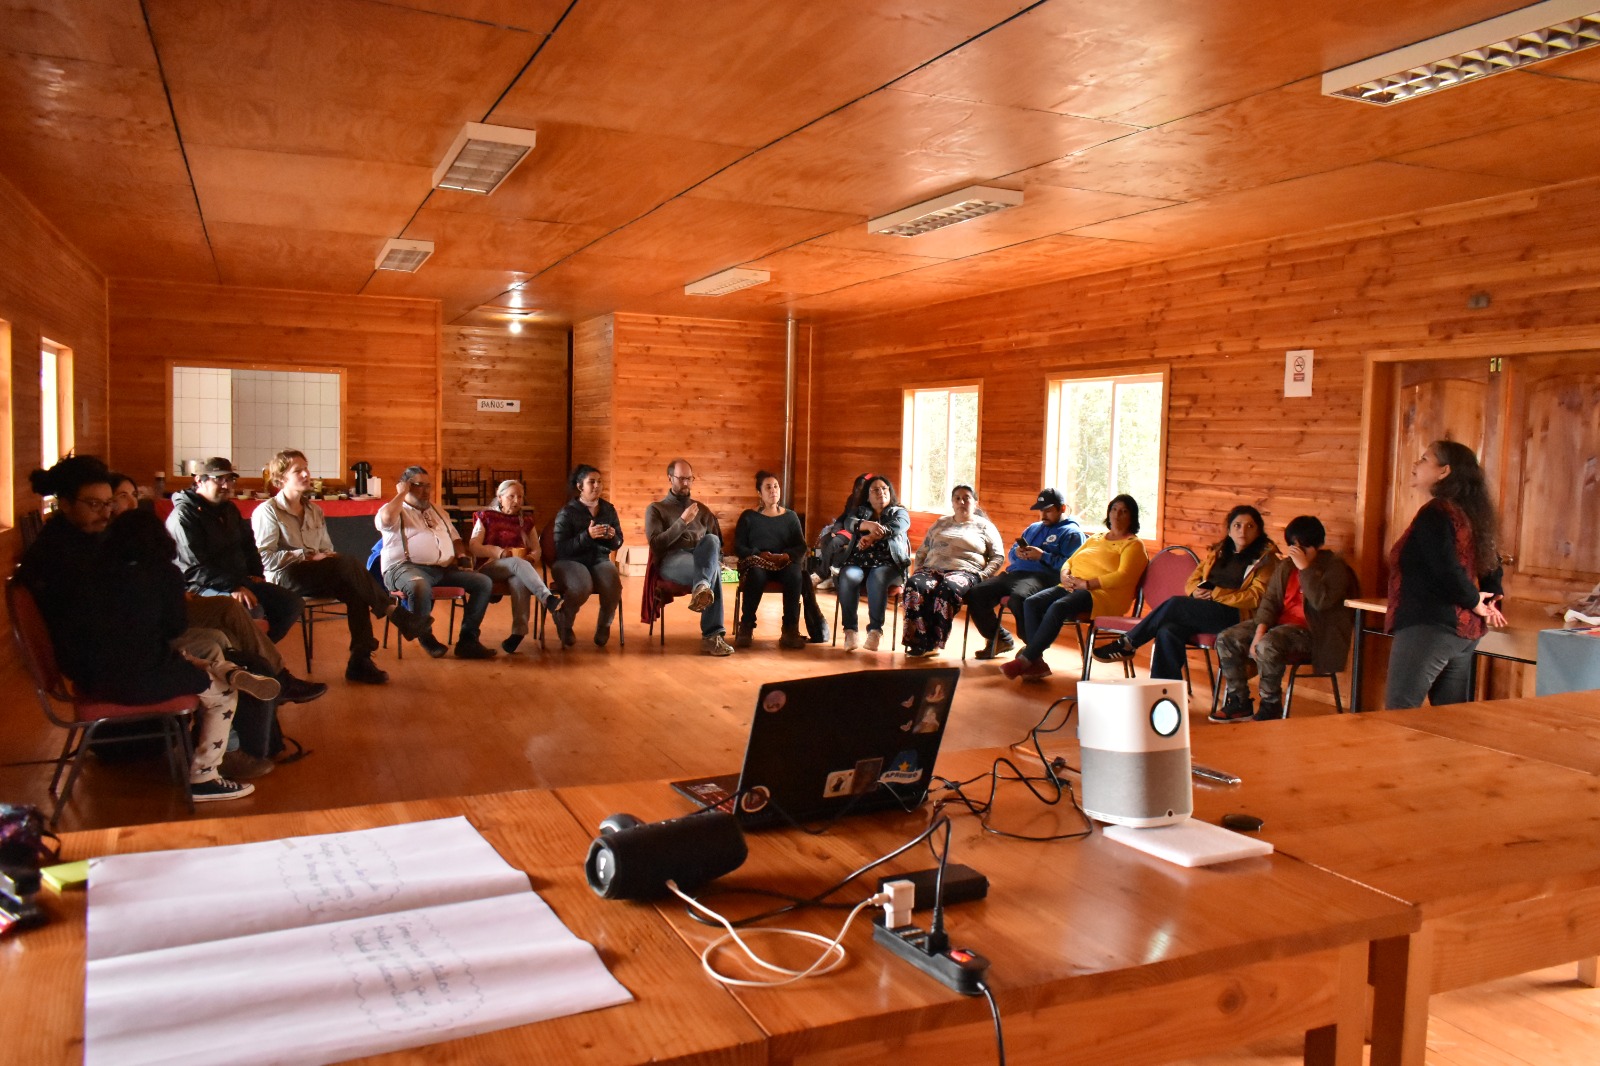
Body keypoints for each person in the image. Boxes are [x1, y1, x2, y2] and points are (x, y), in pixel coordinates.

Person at [17, 458, 268, 802]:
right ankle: (207, 770)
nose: (106, 513)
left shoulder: (78, 543)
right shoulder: (64, 555)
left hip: (106, 659)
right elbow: (118, 624)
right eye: (94, 504)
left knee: (214, 640)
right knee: (214, 655)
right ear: (64, 504)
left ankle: (232, 682)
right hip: (107, 669)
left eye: (109, 504)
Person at [254, 449, 411, 684]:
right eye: (298, 471)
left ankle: (360, 660)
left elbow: (326, 549)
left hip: (316, 574)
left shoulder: (315, 510)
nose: (307, 474)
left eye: (306, 468)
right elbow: (264, 558)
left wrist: (325, 556)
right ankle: (392, 611)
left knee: (355, 590)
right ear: (281, 479)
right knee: (346, 564)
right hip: (285, 578)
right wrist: (305, 555)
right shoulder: (267, 511)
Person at [1093, 504, 1279, 680]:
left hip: (1237, 616)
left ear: (1258, 530)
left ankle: (1128, 642)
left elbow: (1256, 597)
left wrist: (1216, 594)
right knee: (1167, 630)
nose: (1243, 531)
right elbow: (1193, 580)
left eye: (1250, 526)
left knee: (1176, 603)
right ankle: (1165, 692)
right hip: (1203, 611)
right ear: (1229, 529)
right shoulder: (1219, 553)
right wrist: (1194, 593)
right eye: (1237, 525)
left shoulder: (1265, 560)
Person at [1384, 440, 1506, 708]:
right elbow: (1492, 563)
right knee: (1450, 719)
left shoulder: (1436, 512)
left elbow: (1445, 567)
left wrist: (1476, 600)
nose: (1416, 464)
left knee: (1399, 711)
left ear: (1444, 471)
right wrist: (1489, 600)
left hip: (1428, 625)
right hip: (1463, 630)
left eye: (1425, 459)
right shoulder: (1471, 512)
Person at [1211, 515, 1358, 723]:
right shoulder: (1286, 566)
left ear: (1318, 545)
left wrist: (1305, 569)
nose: (1297, 552)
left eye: (1304, 547)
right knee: (1227, 638)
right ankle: (1239, 701)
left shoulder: (1335, 568)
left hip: (1313, 633)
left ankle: (1271, 705)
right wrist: (1258, 632)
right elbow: (1270, 602)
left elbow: (1320, 601)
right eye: (1293, 546)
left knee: (1269, 644)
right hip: (1278, 627)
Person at [1001, 495, 1148, 680]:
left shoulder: (1133, 545)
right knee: (1032, 602)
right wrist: (1065, 574)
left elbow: (1124, 576)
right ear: (1108, 513)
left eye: (1124, 511)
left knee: (1058, 607)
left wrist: (1087, 584)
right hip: (1072, 585)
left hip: (1100, 594)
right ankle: (1036, 661)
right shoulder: (1097, 538)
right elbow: (1070, 560)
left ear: (1132, 517)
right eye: (1114, 509)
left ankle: (1025, 660)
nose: (1117, 514)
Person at [168, 457, 304, 644]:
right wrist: (232, 587)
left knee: (290, 603)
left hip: (239, 581)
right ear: (200, 480)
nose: (226, 485)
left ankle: (259, 653)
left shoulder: (229, 510)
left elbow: (248, 544)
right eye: (219, 479)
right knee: (249, 609)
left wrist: (256, 573)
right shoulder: (184, 515)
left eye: (230, 479)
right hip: (201, 586)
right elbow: (193, 568)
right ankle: (254, 658)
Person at [375, 465, 497, 660]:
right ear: (406, 486)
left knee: (483, 582)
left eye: (428, 486)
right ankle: (426, 637)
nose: (426, 491)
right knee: (419, 585)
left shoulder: (438, 511)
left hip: (441, 569)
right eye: (419, 485)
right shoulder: (395, 510)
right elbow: (387, 519)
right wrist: (401, 495)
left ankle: (468, 640)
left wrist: (462, 557)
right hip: (403, 568)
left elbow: (456, 539)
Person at [966, 488, 1083, 660]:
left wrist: (1043, 556)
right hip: (1014, 574)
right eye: (1041, 510)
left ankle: (1032, 649)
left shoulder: (1072, 534)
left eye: (1049, 510)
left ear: (1062, 509)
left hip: (1043, 578)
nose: (1043, 514)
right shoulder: (1033, 528)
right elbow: (1011, 554)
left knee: (1019, 598)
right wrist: (1018, 554)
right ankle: (998, 638)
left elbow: (1071, 567)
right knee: (975, 593)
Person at [900, 485, 1004, 657]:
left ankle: (933, 642)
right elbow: (923, 550)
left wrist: (983, 575)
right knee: (914, 585)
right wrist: (919, 570)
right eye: (957, 498)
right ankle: (919, 640)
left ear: (975, 503)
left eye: (966, 498)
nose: (961, 502)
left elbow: (998, 556)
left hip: (966, 572)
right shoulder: (941, 522)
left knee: (947, 589)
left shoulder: (985, 527)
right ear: (952, 503)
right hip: (932, 568)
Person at [645, 458, 733, 657]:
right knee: (713, 573)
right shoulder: (656, 509)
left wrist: (716, 559)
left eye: (689, 479)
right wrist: (682, 522)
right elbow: (656, 544)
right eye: (681, 478)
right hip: (672, 560)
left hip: (702, 558)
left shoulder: (702, 509)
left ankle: (702, 586)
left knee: (710, 542)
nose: (686, 483)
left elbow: (717, 543)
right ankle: (712, 636)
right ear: (670, 478)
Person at [469, 479, 564, 654]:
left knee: (519, 581)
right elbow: (474, 546)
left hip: (518, 568)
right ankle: (548, 598)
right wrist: (499, 552)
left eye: (520, 497)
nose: (516, 501)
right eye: (511, 496)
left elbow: (537, 549)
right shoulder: (486, 517)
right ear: (500, 497)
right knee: (516, 563)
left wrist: (531, 557)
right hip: (490, 567)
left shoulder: (526, 522)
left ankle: (518, 633)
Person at [551, 464, 624, 648]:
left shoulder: (608, 509)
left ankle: (604, 625)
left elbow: (619, 541)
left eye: (599, 482)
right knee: (581, 587)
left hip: (598, 559)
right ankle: (564, 622)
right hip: (570, 561)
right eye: (591, 482)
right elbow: (562, 549)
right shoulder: (567, 512)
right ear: (579, 486)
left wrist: (612, 538)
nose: (597, 486)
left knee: (613, 585)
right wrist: (587, 536)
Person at [732, 470, 808, 649]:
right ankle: (746, 626)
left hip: (783, 563)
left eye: (776, 486)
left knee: (795, 574)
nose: (773, 490)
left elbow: (801, 546)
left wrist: (787, 555)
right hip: (758, 563)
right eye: (768, 487)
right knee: (756, 575)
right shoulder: (748, 517)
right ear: (759, 493)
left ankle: (790, 629)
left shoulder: (790, 517)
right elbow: (739, 547)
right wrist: (758, 554)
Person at [836, 475, 911, 652]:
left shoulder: (899, 511)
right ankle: (850, 630)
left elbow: (897, 526)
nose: (881, 493)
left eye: (884, 489)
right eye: (875, 490)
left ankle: (875, 631)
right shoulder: (860, 511)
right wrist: (867, 524)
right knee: (848, 575)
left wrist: (871, 536)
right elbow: (848, 523)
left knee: (877, 577)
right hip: (859, 562)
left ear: (890, 492)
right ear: (867, 495)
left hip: (890, 564)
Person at [806, 473, 872, 590]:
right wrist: (835, 528)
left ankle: (821, 574)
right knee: (825, 539)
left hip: (857, 532)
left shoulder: (870, 501)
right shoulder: (852, 498)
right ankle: (830, 575)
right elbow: (844, 516)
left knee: (834, 543)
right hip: (846, 528)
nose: (859, 489)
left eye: (862, 487)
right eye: (857, 486)